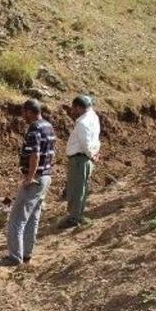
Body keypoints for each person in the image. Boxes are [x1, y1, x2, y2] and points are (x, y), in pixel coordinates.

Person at [0, 99, 57, 266]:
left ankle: (14, 257)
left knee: (17, 219)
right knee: (33, 218)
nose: (22, 116)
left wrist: (30, 177)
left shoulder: (34, 128)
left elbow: (35, 154)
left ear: (30, 112)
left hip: (35, 179)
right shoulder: (48, 126)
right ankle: (26, 255)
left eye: (24, 112)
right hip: (45, 177)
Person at [60, 95, 101, 228]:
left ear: (79, 107)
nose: (72, 111)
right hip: (85, 158)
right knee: (82, 188)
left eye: (73, 108)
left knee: (76, 190)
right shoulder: (93, 117)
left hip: (79, 159)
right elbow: (95, 139)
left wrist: (91, 154)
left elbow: (85, 143)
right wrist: (94, 153)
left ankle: (74, 218)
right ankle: (78, 215)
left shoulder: (83, 122)